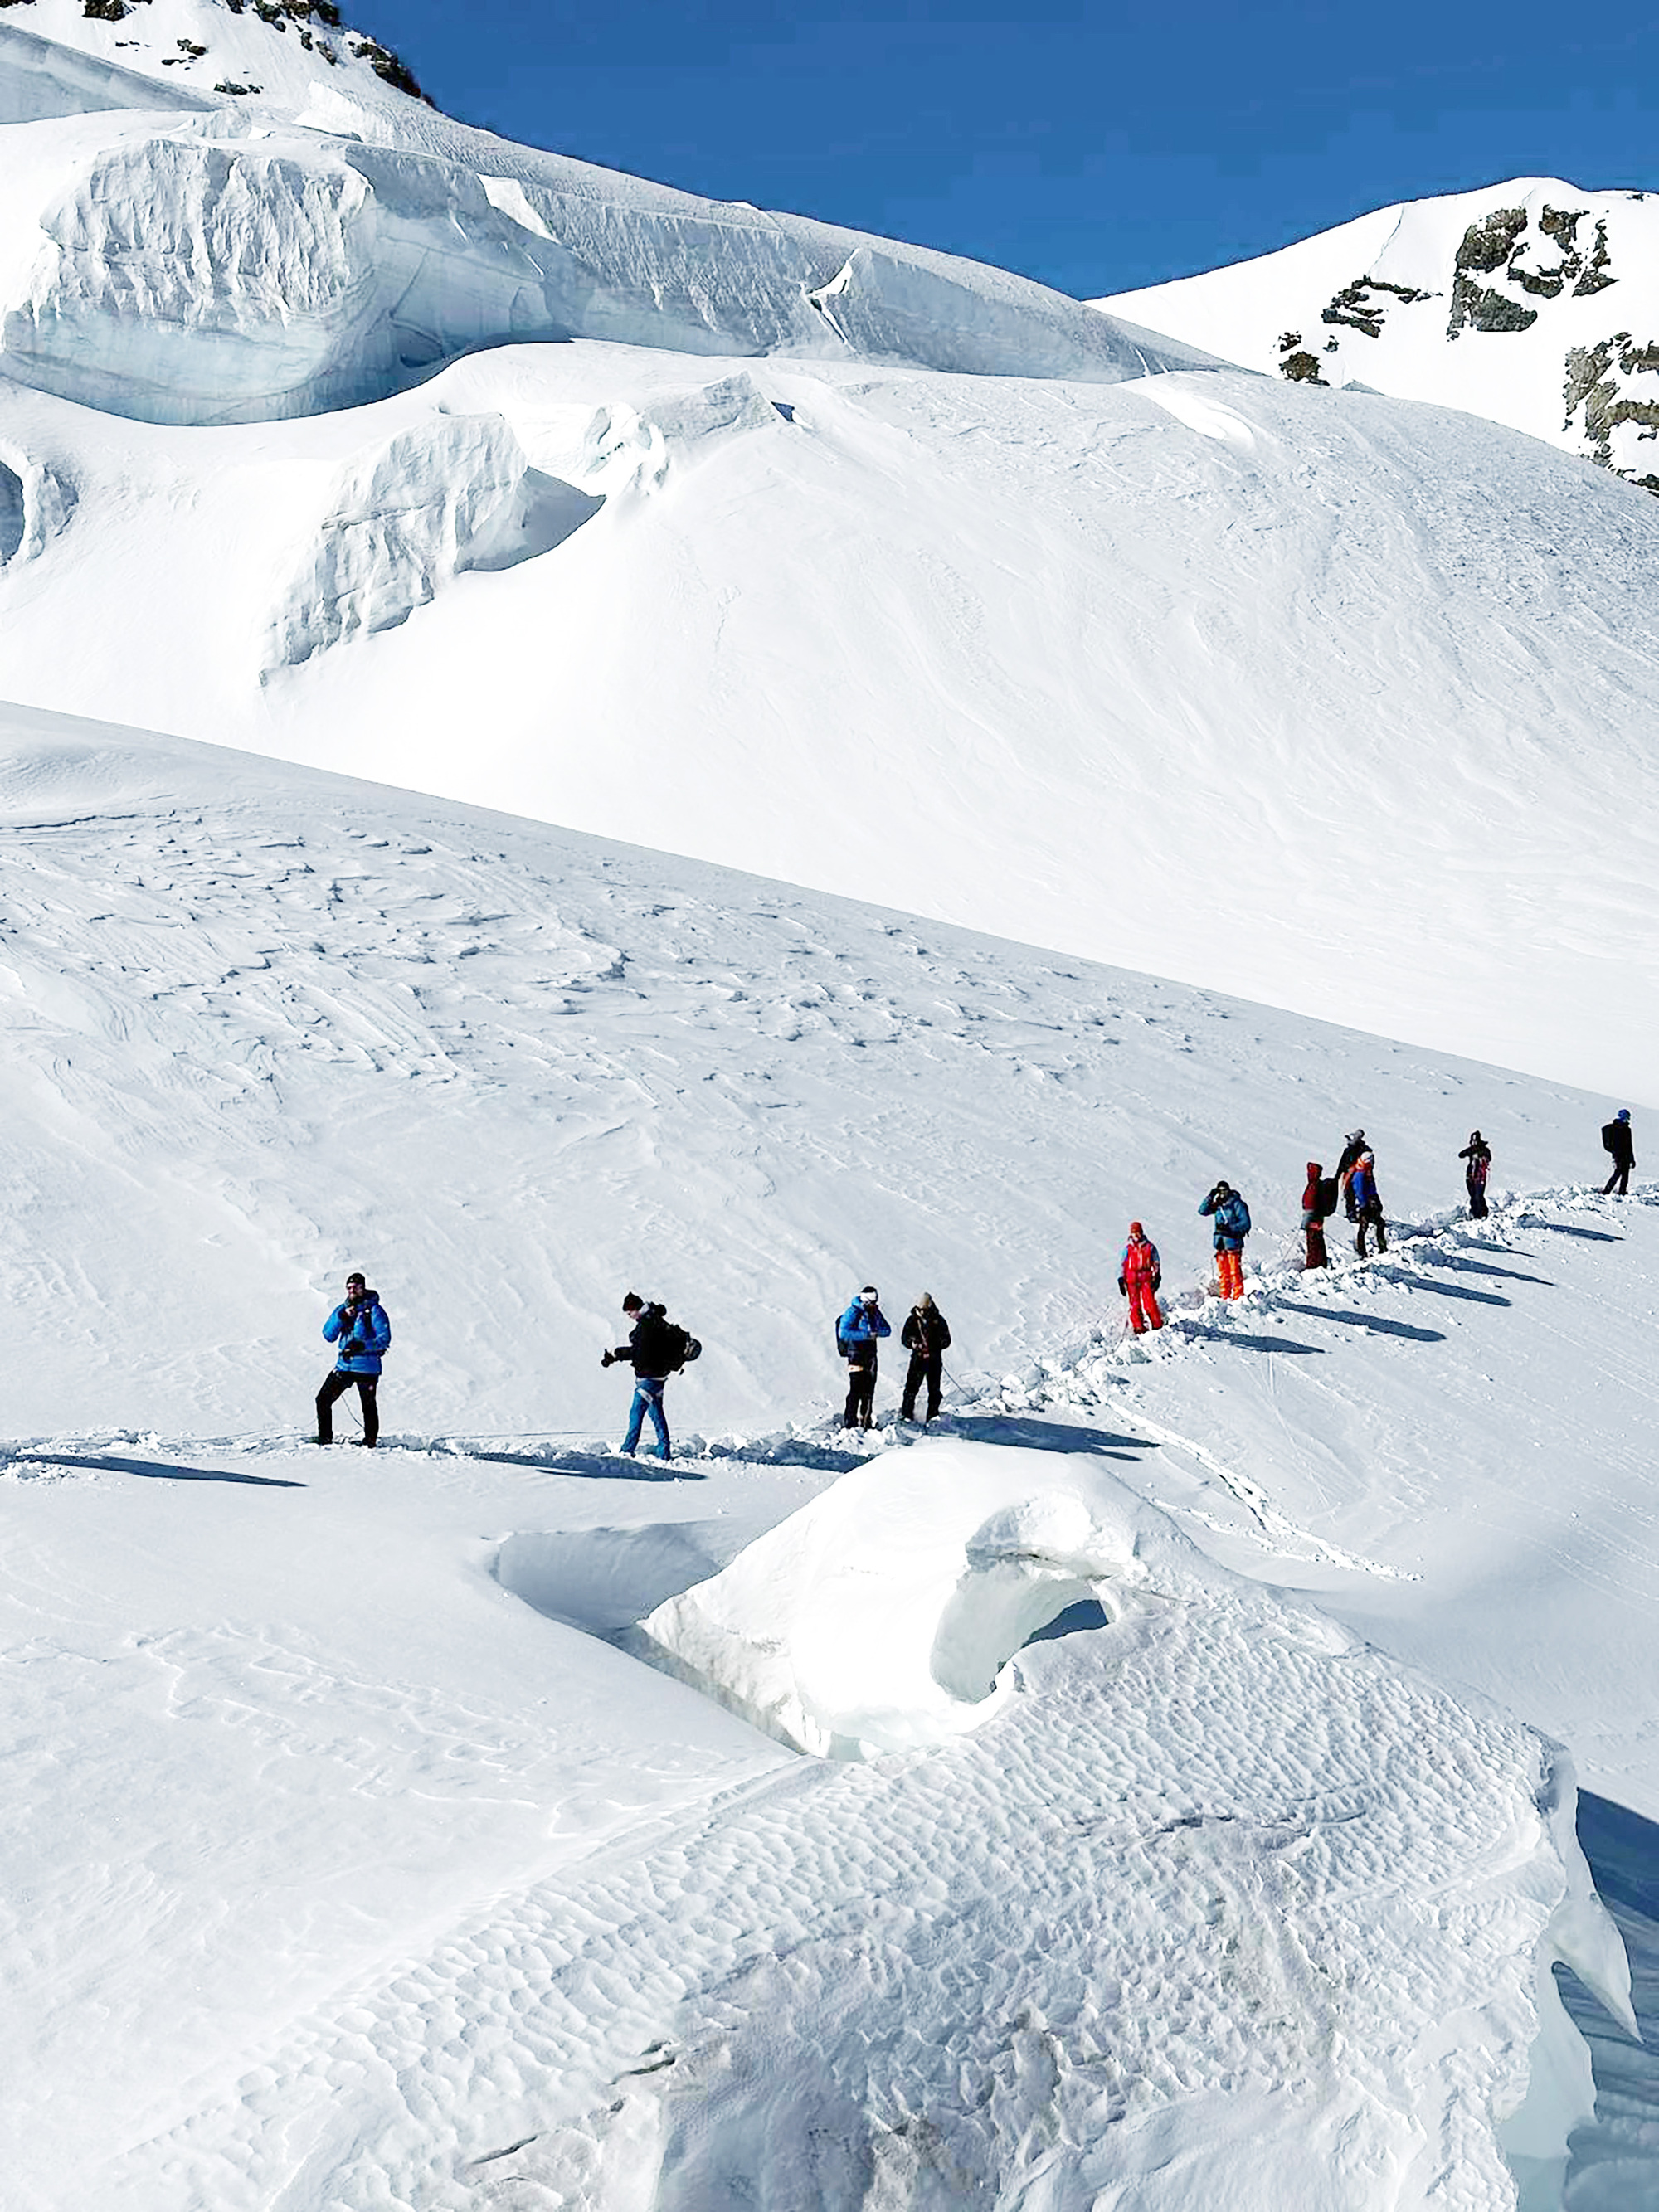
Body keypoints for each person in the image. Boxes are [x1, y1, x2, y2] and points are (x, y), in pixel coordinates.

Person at [316, 1271, 391, 1446]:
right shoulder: (342, 1310)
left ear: (363, 1287)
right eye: (349, 1287)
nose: (352, 1290)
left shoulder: (375, 1311)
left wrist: (363, 1346)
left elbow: (384, 1339)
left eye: (356, 1287)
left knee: (368, 1405)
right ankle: (325, 1438)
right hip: (345, 1365)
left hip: (367, 1367)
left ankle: (370, 1442)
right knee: (323, 1399)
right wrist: (340, 1318)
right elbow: (328, 1335)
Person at [602, 1292, 679, 1460]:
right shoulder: (656, 1319)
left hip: (648, 1378)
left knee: (635, 1415)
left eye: (629, 1313)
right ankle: (664, 1453)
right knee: (657, 1416)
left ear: (636, 1309)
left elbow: (640, 1353)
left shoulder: (647, 1326)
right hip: (659, 1377)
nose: (629, 1317)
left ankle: (626, 1452)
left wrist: (616, 1353)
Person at [837, 1285, 891, 1430]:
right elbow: (843, 1332)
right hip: (856, 1355)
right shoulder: (853, 1312)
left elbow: (888, 1330)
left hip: (871, 1355)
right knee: (855, 1389)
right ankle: (850, 1422)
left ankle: (865, 1421)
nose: (875, 1305)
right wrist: (866, 1335)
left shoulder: (875, 1313)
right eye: (872, 1302)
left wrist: (876, 1332)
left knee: (869, 1390)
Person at [900, 1292, 952, 1421]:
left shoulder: (938, 1320)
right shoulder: (912, 1320)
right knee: (911, 1389)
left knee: (934, 1390)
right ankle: (906, 1415)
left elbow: (947, 1340)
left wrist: (934, 1345)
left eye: (924, 1309)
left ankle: (933, 1416)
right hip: (917, 1359)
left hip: (934, 1359)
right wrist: (913, 1344)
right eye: (919, 1309)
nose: (921, 1312)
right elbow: (904, 1338)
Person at [1198, 1181, 1252, 1300]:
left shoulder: (1237, 1204)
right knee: (1223, 1274)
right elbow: (1202, 1211)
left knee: (1235, 1272)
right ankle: (1225, 1296)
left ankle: (1238, 1297)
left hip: (1233, 1243)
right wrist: (1210, 1197)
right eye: (1220, 1191)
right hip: (1220, 1244)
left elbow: (1246, 1223)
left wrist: (1230, 1228)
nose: (1222, 1194)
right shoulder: (1218, 1205)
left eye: (1224, 1191)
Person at [1117, 1223, 1164, 1333]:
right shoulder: (1128, 1249)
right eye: (1134, 1233)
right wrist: (1121, 1278)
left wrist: (1156, 1276)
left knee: (1150, 1302)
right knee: (1135, 1304)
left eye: (1137, 1233)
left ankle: (1157, 1325)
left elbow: (1156, 1261)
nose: (1136, 1235)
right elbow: (1122, 1264)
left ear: (1141, 1233)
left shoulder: (1149, 1247)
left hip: (1146, 1278)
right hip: (1131, 1279)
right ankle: (1139, 1327)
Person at [1350, 1150, 1387, 1257]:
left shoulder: (1366, 1171)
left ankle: (1382, 1247)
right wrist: (1364, 1204)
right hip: (1366, 1205)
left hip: (1371, 1203)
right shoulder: (1360, 1174)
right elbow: (1359, 1191)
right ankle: (1362, 1252)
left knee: (1379, 1224)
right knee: (1364, 1227)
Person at [1301, 1162, 1331, 1270]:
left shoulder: (1313, 1186)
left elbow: (1310, 1206)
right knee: (1318, 1242)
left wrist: (1304, 1223)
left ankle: (1313, 1265)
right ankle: (1321, 1263)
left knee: (1313, 1244)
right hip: (1318, 1219)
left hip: (1312, 1220)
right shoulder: (1319, 1184)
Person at [1335, 1130, 1368, 1221]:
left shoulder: (1363, 1151)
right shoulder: (1347, 1150)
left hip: (1358, 1176)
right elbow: (1342, 1164)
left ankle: (1363, 1214)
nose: (1348, 1142)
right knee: (1348, 1195)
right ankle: (1351, 1213)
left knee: (1361, 1195)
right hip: (1348, 1176)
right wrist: (1337, 1176)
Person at [1602, 1110, 1635, 1197]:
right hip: (1618, 1155)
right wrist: (1614, 1151)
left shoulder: (1627, 1130)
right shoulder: (1614, 1128)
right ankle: (1606, 1191)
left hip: (1626, 1155)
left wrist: (1632, 1159)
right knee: (1618, 1172)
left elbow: (1629, 1146)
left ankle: (1622, 1191)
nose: (1627, 1120)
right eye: (1625, 1118)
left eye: (1628, 1118)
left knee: (1625, 1175)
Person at [1459, 1131, 1492, 1219]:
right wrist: (1471, 1152)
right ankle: (1474, 1212)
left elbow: (1489, 1157)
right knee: (1473, 1195)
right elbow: (1461, 1154)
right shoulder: (1472, 1150)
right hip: (1471, 1176)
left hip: (1480, 1176)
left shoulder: (1484, 1150)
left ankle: (1482, 1212)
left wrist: (1479, 1155)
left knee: (1478, 1195)